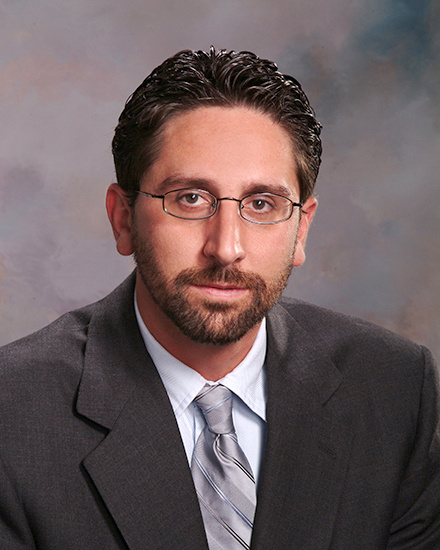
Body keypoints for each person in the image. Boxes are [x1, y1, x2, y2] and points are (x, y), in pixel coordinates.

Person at [0, 47, 439, 550]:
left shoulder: (393, 389)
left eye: (261, 203)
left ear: (301, 230)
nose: (226, 248)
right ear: (123, 219)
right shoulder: (12, 414)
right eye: (190, 199)